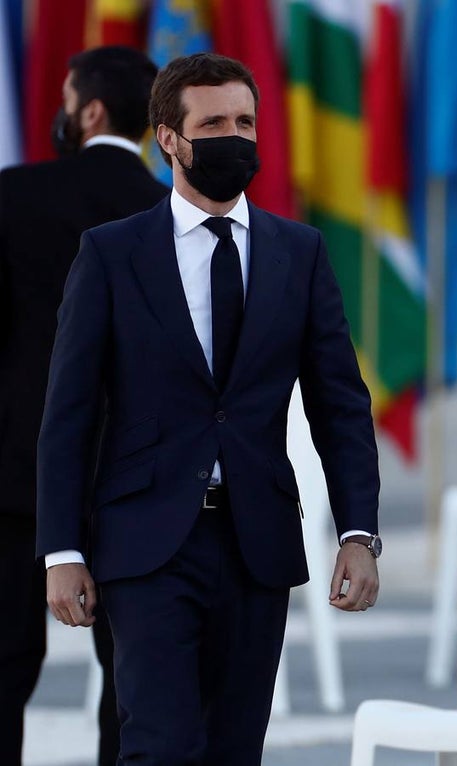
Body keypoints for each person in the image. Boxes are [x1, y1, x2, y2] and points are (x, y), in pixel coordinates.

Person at [35, 52, 382, 765]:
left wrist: (359, 532)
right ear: (168, 138)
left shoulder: (300, 252)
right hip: (145, 544)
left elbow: (340, 405)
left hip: (257, 545)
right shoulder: (110, 254)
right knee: (160, 745)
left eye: (246, 121)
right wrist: (62, 550)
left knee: (234, 749)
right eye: (214, 122)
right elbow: (68, 412)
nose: (235, 135)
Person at [0, 46, 166, 766]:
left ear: (89, 110)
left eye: (66, 98)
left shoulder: (11, 196)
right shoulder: (172, 212)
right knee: (133, 685)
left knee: (1, 670)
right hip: (136, 482)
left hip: (14, 475)